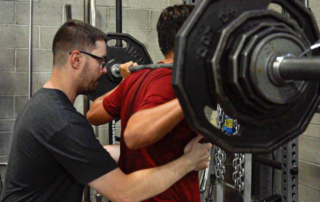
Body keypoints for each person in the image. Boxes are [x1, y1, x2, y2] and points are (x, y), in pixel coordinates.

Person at [0, 19, 212, 202]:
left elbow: (96, 154)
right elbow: (125, 192)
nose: (104, 69)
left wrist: (164, 149)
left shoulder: (45, 106)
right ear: (76, 59)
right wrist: (187, 162)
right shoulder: (62, 121)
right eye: (101, 61)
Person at [87, 5, 203, 202]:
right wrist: (195, 95)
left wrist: (124, 84)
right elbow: (134, 135)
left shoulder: (138, 78)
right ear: (191, 38)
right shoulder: (172, 82)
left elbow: (93, 113)